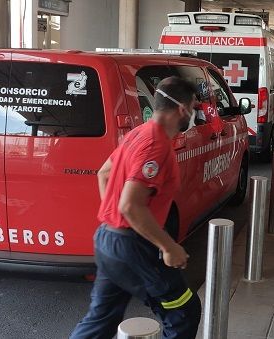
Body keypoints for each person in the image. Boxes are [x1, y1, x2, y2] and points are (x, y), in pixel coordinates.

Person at [70, 77, 202, 339]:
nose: (194, 113)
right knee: (183, 312)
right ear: (182, 109)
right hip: (133, 246)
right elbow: (131, 206)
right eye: (194, 106)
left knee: (101, 320)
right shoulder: (156, 146)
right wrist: (168, 246)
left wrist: (115, 223)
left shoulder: (138, 133)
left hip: (108, 240)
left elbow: (103, 174)